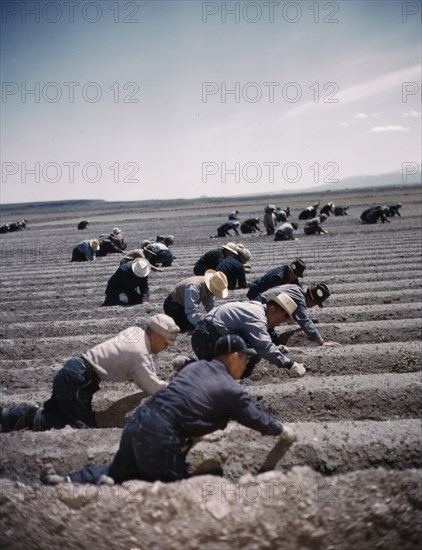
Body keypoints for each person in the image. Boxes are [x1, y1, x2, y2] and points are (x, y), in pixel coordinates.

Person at [42, 335, 297, 486]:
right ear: (233, 358)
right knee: (174, 488)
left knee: (118, 472)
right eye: (245, 358)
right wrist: (281, 429)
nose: (246, 363)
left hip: (139, 422)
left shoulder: (195, 369)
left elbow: (187, 401)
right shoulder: (231, 389)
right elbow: (254, 417)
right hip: (160, 434)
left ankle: (66, 482)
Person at [1, 314, 180, 433]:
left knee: (57, 416)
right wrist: (176, 390)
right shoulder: (139, 354)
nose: (165, 348)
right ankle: (28, 416)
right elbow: (151, 385)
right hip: (78, 382)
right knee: (84, 429)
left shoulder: (135, 331)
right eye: (165, 343)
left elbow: (144, 361)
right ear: (156, 337)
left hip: (72, 371)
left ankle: (10, 416)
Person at [191, 293, 306, 379]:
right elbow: (264, 348)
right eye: (279, 319)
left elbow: (255, 341)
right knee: (251, 356)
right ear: (272, 309)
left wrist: (274, 349)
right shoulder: (257, 317)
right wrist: (290, 364)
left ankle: (187, 366)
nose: (277, 324)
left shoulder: (256, 307)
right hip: (206, 338)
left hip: (205, 336)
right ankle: (238, 386)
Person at [255, 283, 339, 346]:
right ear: (312, 301)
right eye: (315, 304)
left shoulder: (297, 288)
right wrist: (322, 342)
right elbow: (305, 322)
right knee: (267, 339)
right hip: (263, 306)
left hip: (261, 301)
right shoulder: (300, 300)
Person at [163, 270, 229, 331]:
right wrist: (201, 325)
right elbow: (190, 311)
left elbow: (210, 307)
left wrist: (216, 320)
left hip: (184, 305)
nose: (214, 294)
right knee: (188, 327)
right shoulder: (193, 288)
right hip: (173, 306)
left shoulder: (211, 286)